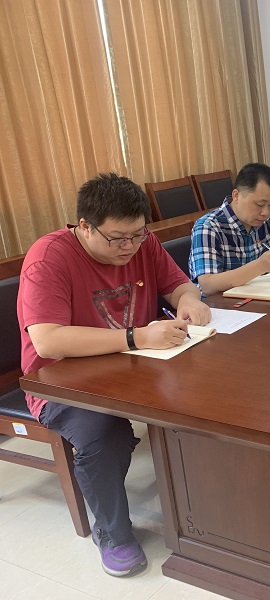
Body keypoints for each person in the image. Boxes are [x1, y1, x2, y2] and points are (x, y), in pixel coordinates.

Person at [17, 173, 211, 577]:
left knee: (207, 389)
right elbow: (48, 342)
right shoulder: (49, 257)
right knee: (104, 434)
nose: (129, 247)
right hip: (61, 382)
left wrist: (189, 301)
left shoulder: (142, 241)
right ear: (84, 226)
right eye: (117, 238)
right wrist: (135, 336)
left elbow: (179, 284)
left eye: (137, 235)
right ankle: (113, 532)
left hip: (132, 365)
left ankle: (207, 508)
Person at [189, 163, 270, 296]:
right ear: (236, 196)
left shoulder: (266, 220)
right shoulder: (208, 227)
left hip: (259, 296)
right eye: (259, 204)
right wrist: (260, 266)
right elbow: (207, 285)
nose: (265, 212)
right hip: (220, 304)